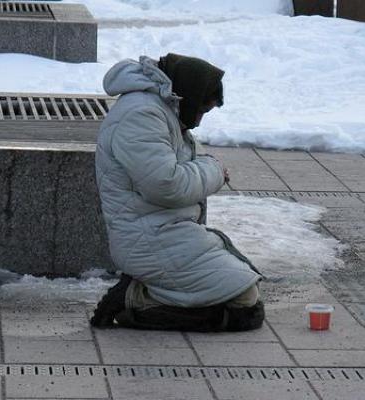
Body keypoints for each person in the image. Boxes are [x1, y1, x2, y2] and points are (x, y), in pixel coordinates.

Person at [91, 54, 264, 332]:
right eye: (202, 111)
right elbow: (167, 185)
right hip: (148, 239)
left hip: (166, 231)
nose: (199, 120)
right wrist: (215, 171)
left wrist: (207, 168)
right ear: (191, 98)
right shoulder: (142, 115)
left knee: (244, 293)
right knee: (244, 305)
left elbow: (180, 170)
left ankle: (149, 292)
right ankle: (135, 298)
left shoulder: (162, 110)